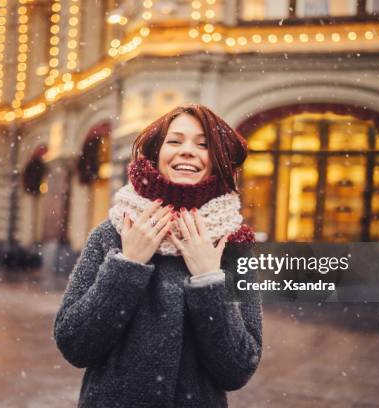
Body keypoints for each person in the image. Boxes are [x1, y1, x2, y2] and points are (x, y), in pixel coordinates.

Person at [53, 104, 262, 407]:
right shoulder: (112, 233)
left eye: (203, 144)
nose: (188, 151)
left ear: (218, 160)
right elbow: (74, 344)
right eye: (175, 141)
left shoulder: (232, 246)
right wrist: (127, 266)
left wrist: (209, 279)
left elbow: (238, 369)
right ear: (156, 153)